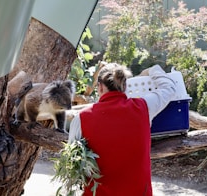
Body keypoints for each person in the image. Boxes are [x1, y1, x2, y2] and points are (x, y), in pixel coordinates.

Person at [68, 63, 177, 196]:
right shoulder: (143, 108)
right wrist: (152, 69)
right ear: (125, 86)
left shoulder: (81, 118)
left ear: (100, 87)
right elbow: (170, 88)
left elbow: (73, 163)